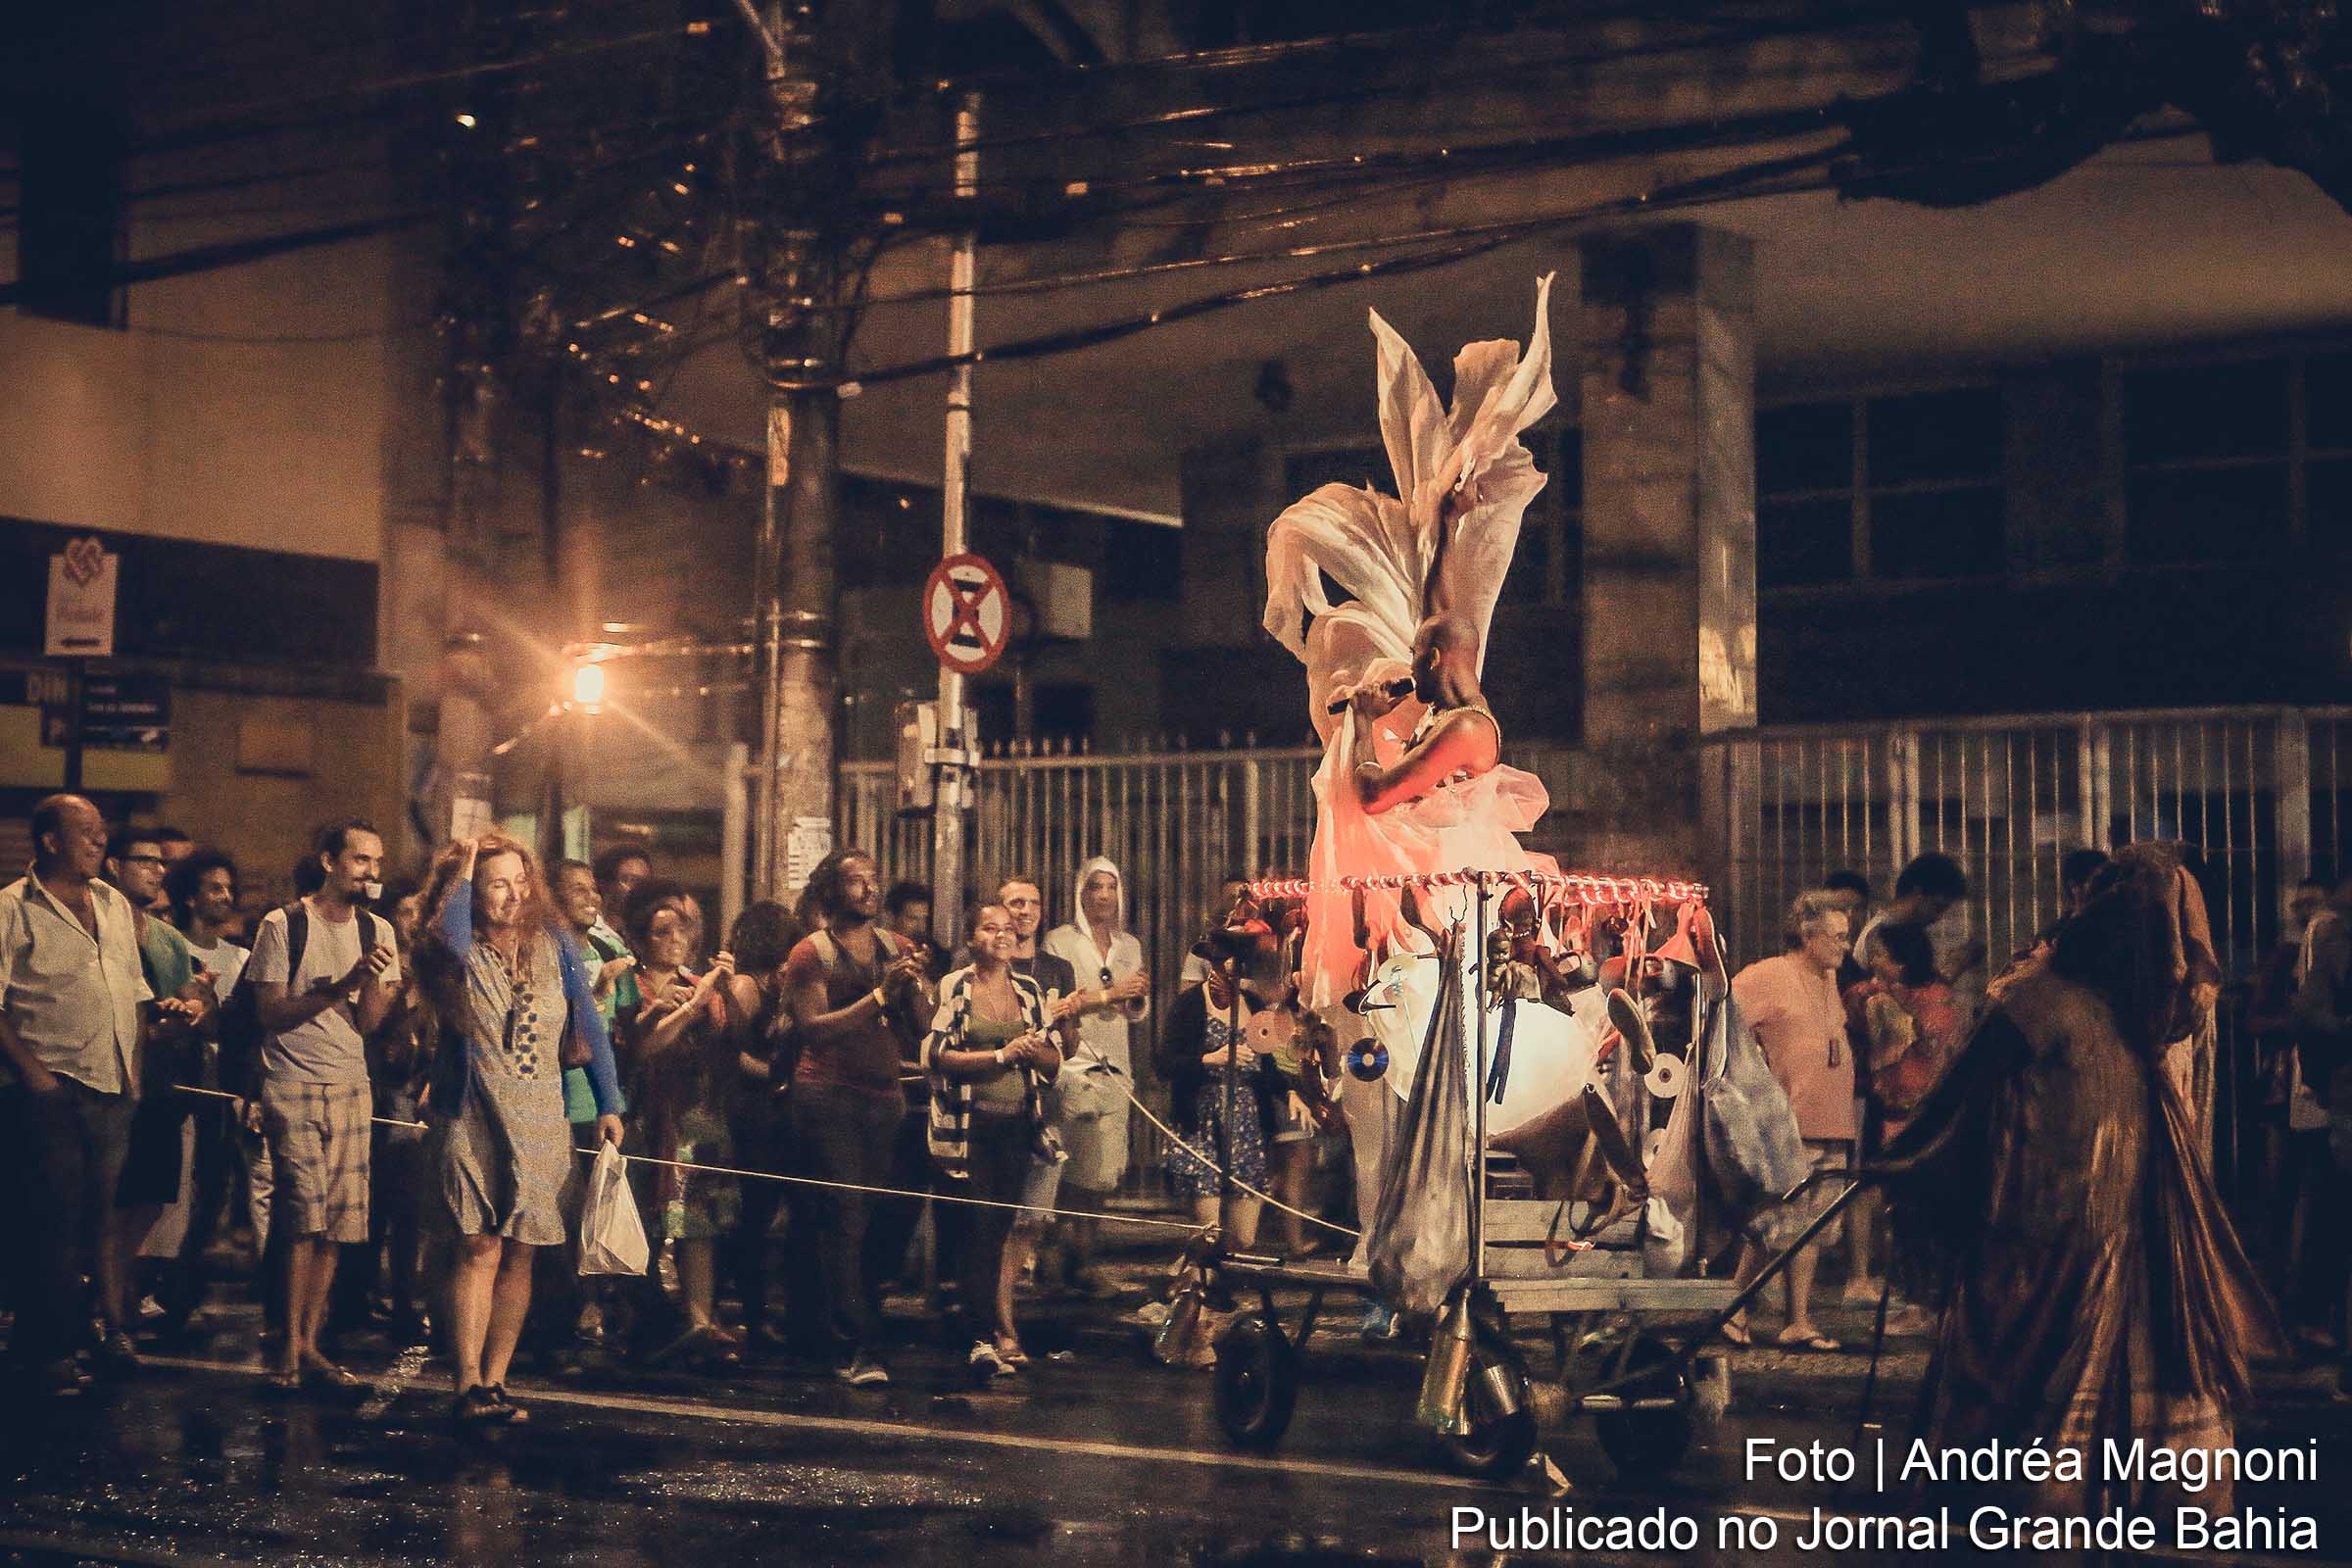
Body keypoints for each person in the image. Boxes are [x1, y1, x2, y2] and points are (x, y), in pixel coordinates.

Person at [1880, 844, 2283, 1519]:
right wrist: (1911, 1161)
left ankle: (2036, 1503)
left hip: (2066, 1245)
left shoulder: (2082, 1008)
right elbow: (1962, 1102)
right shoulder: (2070, 1006)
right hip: (2063, 1237)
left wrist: (1909, 1167)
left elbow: (1955, 1103)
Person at [416, 833, 624, 1425]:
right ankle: (467, 1383)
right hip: (473, 1106)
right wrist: (465, 860)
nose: (510, 894)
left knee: (522, 1250)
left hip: (540, 1109)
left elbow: (589, 1022)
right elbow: (451, 926)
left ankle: (498, 1379)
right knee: (477, 1244)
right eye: (495, 883)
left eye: (518, 881)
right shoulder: (454, 948)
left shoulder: (555, 944)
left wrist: (609, 1102)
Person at [0, 796, 188, 1397]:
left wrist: (133, 1072)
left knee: (94, 1222)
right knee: (49, 1220)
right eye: (85, 832)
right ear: (50, 840)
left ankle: (74, 1335)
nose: (98, 841)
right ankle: (47, 1352)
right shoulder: (12, 909)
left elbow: (132, 992)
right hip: (50, 1089)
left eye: (101, 832)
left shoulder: (111, 904)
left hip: (112, 1086)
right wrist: (33, 1073)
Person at [247, 819, 401, 1391]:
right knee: (301, 1219)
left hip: (351, 1086)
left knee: (337, 1224)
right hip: (291, 1083)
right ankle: (286, 1343)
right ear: (330, 860)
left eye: (376, 862)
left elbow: (368, 1024)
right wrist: (339, 986)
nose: (371, 873)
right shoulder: (283, 924)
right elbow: (269, 1014)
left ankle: (311, 1342)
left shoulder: (378, 929)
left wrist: (378, 989)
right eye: (361, 860)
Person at [780, 849, 930, 1387]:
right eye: (854, 881)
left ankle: (844, 1320)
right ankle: (854, 1343)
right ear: (832, 890)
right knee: (842, 1215)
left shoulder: (898, 947)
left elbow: (921, 1026)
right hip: (827, 1096)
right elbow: (813, 1028)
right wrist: (878, 994)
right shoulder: (810, 952)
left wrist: (913, 989)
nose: (868, 889)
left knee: (879, 1218)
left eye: (872, 879)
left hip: (884, 1097)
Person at [921, 903, 1059, 1377]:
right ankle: (978, 1337)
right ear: (971, 937)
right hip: (969, 1126)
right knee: (976, 1228)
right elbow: (938, 1054)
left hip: (1018, 1125)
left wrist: (1036, 1051)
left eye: (1007, 929)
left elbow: (1053, 1062)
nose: (1001, 936)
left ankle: (984, 1329)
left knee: (1000, 1229)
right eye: (989, 928)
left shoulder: (1029, 990)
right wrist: (1000, 1055)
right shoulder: (956, 986)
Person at [1726, 890, 1855, 1350]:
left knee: (1812, 1227)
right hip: (1790, 1121)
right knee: (1776, 1221)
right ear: (1808, 934)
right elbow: (1724, 1022)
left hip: (1832, 1121)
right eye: (1838, 937)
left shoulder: (1826, 978)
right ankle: (1734, 1306)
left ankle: (1797, 1320)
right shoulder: (1770, 975)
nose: (1846, 945)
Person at [103, 829, 215, 1360]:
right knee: (109, 1205)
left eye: (159, 863)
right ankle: (108, 1311)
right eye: (143, 861)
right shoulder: (101, 927)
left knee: (148, 1204)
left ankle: (118, 1299)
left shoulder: (169, 939)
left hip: (163, 1086)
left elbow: (194, 993)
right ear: (112, 865)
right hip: (114, 1083)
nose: (155, 870)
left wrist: (195, 1004)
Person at [622, 881, 738, 1364]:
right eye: (660, 932)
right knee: (653, 1218)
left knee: (701, 1221)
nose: (674, 940)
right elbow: (639, 1046)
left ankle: (699, 1318)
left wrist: (727, 994)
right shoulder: (633, 983)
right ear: (641, 939)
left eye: (681, 930)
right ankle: (647, 1318)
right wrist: (689, 1009)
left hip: (702, 1114)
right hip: (654, 1115)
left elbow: (729, 1042)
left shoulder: (700, 984)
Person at [1839, 921, 1964, 1334]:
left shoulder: (1923, 1005)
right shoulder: (1917, 997)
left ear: (1902, 961)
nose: (1874, 962)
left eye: (1882, 955)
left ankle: (1921, 1306)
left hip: (1916, 1122)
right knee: (1909, 1215)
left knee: (1915, 1218)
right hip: (1906, 1118)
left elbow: (1903, 1044)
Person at [1040, 857, 1151, 1295]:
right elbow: (1058, 1002)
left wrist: (1133, 998)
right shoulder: (1059, 942)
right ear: (1079, 893)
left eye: (1110, 887)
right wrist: (1109, 994)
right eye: (1093, 887)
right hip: (1076, 1061)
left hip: (1115, 1062)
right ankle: (1059, 1253)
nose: (1102, 896)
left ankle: (1087, 1252)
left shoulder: (1130, 946)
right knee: (1073, 1169)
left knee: (1105, 1171)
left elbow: (1134, 1009)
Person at [716, 900, 807, 1352]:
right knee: (754, 1212)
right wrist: (775, 1075)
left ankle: (772, 1310)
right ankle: (749, 1312)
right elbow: (731, 1054)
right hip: (751, 1109)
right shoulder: (747, 986)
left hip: (779, 1108)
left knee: (775, 1212)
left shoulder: (783, 984)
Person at [993, 874, 1083, 1327]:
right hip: (994, 1098)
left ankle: (1005, 1301)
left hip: (1042, 1104)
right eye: (1014, 903)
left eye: (1031, 903)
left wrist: (1067, 1017)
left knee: (1032, 1214)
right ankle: (992, 1314)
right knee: (992, 1214)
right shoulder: (985, 967)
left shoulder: (1057, 969)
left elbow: (1069, 1047)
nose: (1024, 911)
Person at [1855, 852, 1984, 1024]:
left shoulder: (1905, 932)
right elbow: (1911, 1002)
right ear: (1916, 893)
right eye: (1936, 907)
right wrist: (1956, 967)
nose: (1938, 918)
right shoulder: (1879, 936)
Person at [1821, 870, 1872, 990]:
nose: (1850, 915)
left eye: (1858, 908)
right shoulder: (1816, 961)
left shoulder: (1848, 961)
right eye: (1840, 908)